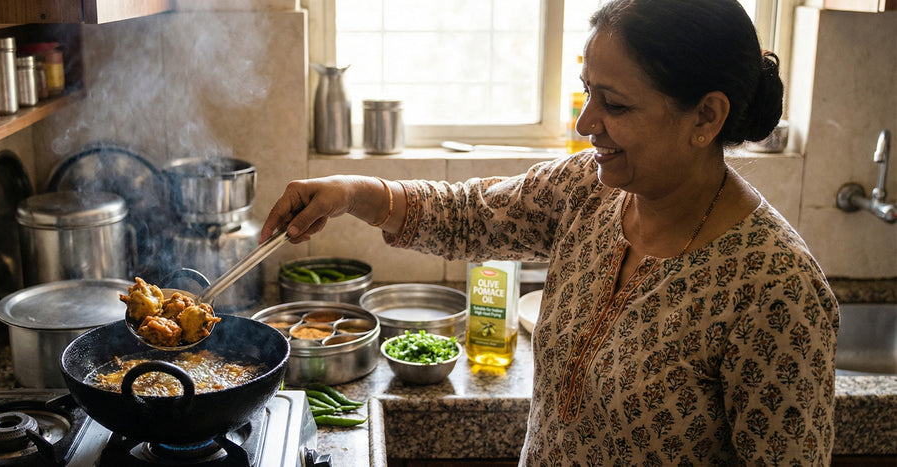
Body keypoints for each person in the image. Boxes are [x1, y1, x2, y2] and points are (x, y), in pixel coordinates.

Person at [261, 0, 838, 464]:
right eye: (589, 91)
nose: (587, 124)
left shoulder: (775, 289)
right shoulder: (591, 189)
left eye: (613, 103)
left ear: (706, 117)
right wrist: (351, 191)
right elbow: (469, 215)